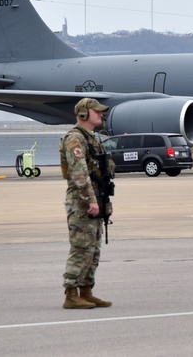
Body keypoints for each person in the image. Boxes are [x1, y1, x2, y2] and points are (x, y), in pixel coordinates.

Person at [60, 98, 116, 309]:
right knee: (81, 248)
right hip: (82, 202)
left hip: (96, 200)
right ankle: (71, 294)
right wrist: (91, 200)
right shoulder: (75, 139)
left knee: (93, 250)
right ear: (83, 114)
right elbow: (78, 173)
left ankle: (86, 291)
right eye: (97, 112)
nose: (101, 115)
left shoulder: (93, 139)